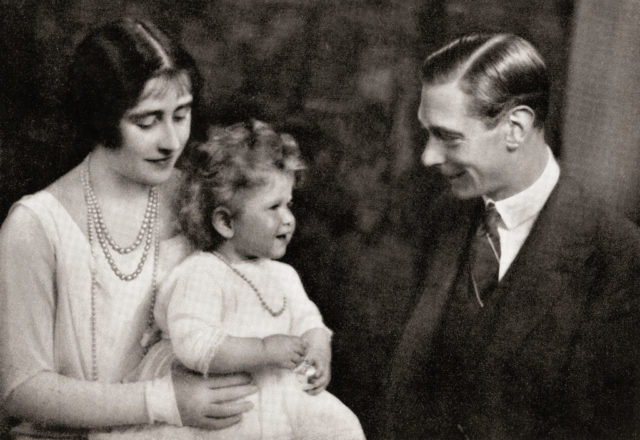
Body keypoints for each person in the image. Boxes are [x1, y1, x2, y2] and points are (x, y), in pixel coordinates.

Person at [0, 17, 257, 439]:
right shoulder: (35, 226)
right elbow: (20, 387)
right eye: (147, 121)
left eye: (182, 114)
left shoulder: (200, 200)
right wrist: (164, 401)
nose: (172, 141)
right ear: (103, 119)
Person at [384, 33, 640, 439]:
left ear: (516, 128)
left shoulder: (620, 257)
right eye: (427, 134)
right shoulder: (441, 218)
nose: (428, 156)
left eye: (448, 137)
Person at [99, 120, 365, 440]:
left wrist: (318, 349)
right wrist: (264, 349)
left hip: (277, 396)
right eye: (273, 207)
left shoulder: (283, 275)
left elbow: (309, 321)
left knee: (339, 425)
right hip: (222, 403)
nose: (288, 219)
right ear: (225, 222)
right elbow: (193, 345)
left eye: (289, 204)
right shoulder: (202, 273)